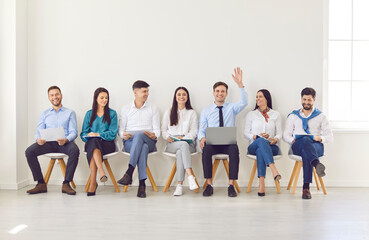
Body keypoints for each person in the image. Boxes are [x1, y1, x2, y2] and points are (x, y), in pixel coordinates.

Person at [199, 67, 248, 197]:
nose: (220, 93)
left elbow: (244, 102)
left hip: (228, 143)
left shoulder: (232, 108)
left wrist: (240, 85)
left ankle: (231, 186)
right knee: (206, 151)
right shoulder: (206, 111)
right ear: (213, 93)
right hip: (212, 143)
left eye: (223, 91)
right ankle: (209, 185)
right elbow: (202, 129)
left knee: (234, 151)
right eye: (217, 91)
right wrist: (202, 138)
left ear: (226, 94)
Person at [25, 86, 79, 195]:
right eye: (52, 95)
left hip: (64, 143)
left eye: (57, 94)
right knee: (29, 151)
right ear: (49, 98)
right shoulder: (44, 114)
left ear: (61, 95)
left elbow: (74, 132)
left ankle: (66, 183)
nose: (55, 97)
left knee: (75, 150)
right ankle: (40, 183)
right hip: (48, 143)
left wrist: (66, 139)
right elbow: (38, 132)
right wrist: (38, 139)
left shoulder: (70, 112)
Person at [283, 87, 333, 199]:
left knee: (307, 148)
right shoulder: (293, 116)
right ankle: (315, 167)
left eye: (309, 100)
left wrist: (319, 138)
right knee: (305, 141)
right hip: (297, 145)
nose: (306, 102)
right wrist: (292, 140)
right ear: (301, 99)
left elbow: (329, 136)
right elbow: (285, 135)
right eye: (304, 99)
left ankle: (306, 187)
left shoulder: (321, 116)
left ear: (314, 100)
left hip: (316, 145)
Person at [117, 80, 160, 198]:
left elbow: (157, 130)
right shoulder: (125, 109)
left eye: (147, 91)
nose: (147, 94)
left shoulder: (153, 108)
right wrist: (123, 135)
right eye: (144, 91)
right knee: (143, 147)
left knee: (141, 136)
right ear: (135, 92)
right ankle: (142, 185)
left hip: (149, 140)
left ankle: (129, 172)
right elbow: (120, 130)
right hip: (130, 142)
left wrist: (154, 135)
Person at [80, 87, 118, 196]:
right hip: (92, 144)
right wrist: (89, 135)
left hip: (107, 145)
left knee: (94, 142)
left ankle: (93, 182)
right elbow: (83, 134)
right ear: (96, 99)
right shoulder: (89, 114)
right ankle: (101, 173)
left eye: (106, 98)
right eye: (101, 98)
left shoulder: (112, 113)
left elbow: (112, 133)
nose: (104, 100)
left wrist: (98, 134)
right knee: (93, 142)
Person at [161, 87, 199, 196]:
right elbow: (163, 130)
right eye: (179, 94)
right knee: (181, 146)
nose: (181, 97)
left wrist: (184, 138)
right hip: (172, 143)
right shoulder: (169, 112)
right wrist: (167, 136)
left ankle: (179, 185)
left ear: (187, 98)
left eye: (184, 95)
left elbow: (194, 131)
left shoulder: (192, 113)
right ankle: (190, 176)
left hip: (188, 143)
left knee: (181, 150)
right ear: (175, 97)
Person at [244, 89, 282, 196]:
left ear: (266, 99)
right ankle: (273, 169)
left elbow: (279, 133)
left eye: (260, 96)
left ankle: (261, 184)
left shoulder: (276, 114)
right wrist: (256, 136)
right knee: (261, 141)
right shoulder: (251, 114)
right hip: (253, 146)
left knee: (261, 150)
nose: (257, 99)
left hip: (271, 146)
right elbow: (245, 133)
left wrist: (274, 139)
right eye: (256, 96)